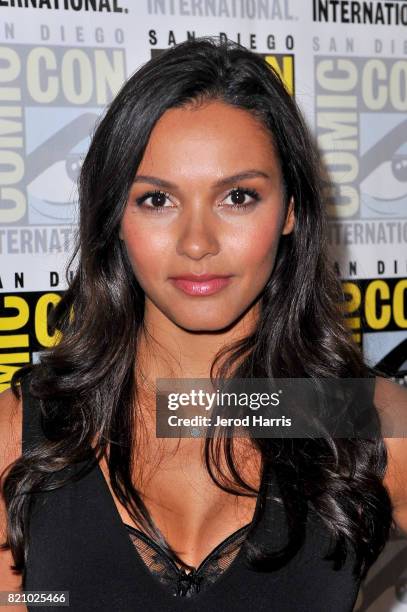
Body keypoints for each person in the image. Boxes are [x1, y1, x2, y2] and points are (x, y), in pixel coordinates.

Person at [0, 37, 406, 612]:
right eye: (157, 200)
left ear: (291, 209)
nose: (197, 244)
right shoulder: (24, 434)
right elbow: (22, 600)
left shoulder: (362, 421)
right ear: (115, 214)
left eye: (238, 196)